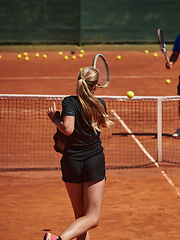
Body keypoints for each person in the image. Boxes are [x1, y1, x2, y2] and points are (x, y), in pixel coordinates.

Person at [45, 66, 114, 240]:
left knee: (81, 218)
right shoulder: (99, 103)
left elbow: (66, 128)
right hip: (93, 161)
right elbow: (102, 125)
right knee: (92, 218)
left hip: (71, 162)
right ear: (95, 86)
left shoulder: (69, 101)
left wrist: (55, 119)